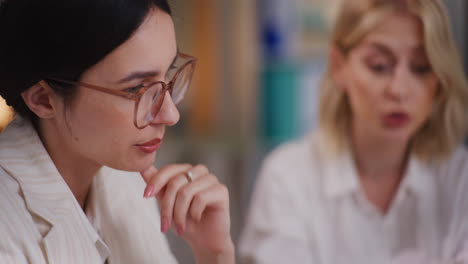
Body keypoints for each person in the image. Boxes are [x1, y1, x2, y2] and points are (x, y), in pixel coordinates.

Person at [0, 0, 235, 263]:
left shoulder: (125, 180)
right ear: (43, 98)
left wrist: (215, 253)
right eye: (135, 89)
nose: (171, 115)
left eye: (168, 75)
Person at [239, 0, 468, 263]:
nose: (399, 89)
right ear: (339, 66)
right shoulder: (288, 178)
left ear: (440, 79)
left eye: (421, 67)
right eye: (379, 65)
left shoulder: (459, 178)